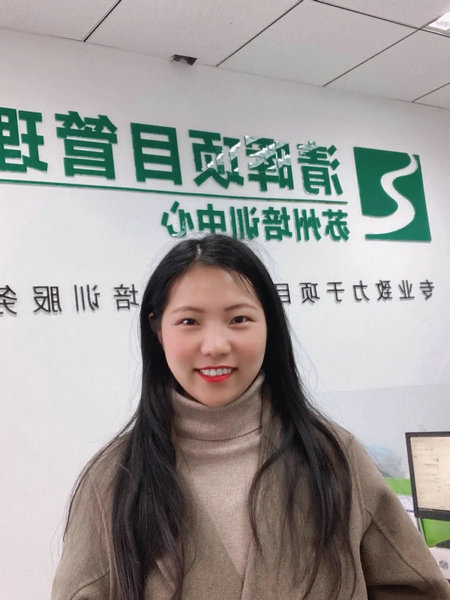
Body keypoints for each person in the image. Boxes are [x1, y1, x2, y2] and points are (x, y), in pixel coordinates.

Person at [52, 234, 450, 600]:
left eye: (239, 319)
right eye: (189, 322)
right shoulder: (114, 480)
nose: (215, 345)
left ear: (269, 326)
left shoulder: (334, 456)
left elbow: (416, 588)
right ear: (158, 329)